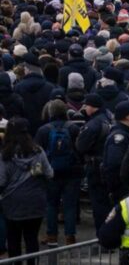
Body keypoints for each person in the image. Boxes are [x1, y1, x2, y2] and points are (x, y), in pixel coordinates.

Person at [0, 116, 53, 265]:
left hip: (12, 202)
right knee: (31, 239)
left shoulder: (5, 155)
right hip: (35, 201)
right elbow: (49, 173)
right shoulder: (38, 151)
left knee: (13, 242)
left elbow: (1, 180)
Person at [36, 99, 82, 245]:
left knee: (51, 204)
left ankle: (51, 236)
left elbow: (38, 153)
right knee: (70, 205)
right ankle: (70, 236)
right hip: (72, 172)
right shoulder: (73, 128)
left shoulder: (43, 130)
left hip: (51, 172)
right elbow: (80, 149)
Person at [75, 92, 111, 234]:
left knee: (98, 203)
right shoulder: (108, 119)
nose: (84, 108)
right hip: (106, 165)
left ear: (93, 106)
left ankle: (102, 234)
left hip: (95, 167)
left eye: (86, 105)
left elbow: (81, 146)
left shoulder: (93, 124)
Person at [101, 100, 129, 205]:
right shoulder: (119, 137)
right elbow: (115, 163)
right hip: (121, 187)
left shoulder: (127, 133)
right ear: (127, 117)